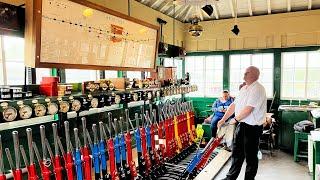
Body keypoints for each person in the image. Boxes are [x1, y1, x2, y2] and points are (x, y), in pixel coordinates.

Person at [218, 66, 267, 180]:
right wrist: (223, 119)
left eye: (246, 73)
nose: (243, 75)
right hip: (242, 125)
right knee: (237, 153)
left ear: (254, 75)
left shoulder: (258, 88)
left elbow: (249, 109)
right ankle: (230, 178)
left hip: (253, 128)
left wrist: (235, 119)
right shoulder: (244, 89)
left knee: (250, 157)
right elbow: (234, 105)